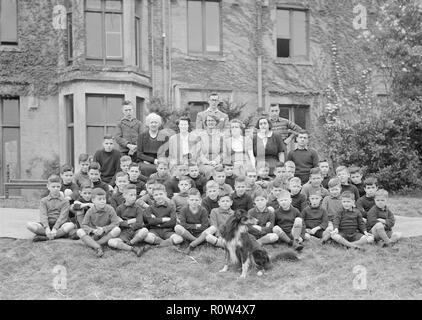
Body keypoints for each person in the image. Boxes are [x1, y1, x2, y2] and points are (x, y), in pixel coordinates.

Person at [26, 175, 75, 242]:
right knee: (29, 225)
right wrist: (46, 228)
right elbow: (43, 215)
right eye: (53, 186)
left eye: (58, 187)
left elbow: (63, 217)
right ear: (48, 187)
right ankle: (55, 235)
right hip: (47, 224)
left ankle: (46, 237)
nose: (55, 188)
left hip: (60, 225)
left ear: (60, 187)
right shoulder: (44, 200)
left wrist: (55, 228)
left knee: (71, 225)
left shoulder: (65, 201)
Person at [76, 188, 121, 257]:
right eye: (99, 199)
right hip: (95, 233)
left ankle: (94, 244)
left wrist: (103, 229)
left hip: (106, 233)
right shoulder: (90, 211)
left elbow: (116, 223)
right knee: (79, 231)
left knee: (117, 230)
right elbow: (84, 225)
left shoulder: (110, 209)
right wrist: (93, 231)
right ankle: (98, 247)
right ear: (93, 200)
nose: (102, 201)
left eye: (104, 199)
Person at [108, 184, 149, 256]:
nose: (134, 197)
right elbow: (117, 223)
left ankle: (130, 243)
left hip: (136, 231)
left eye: (135, 195)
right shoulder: (119, 208)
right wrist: (129, 222)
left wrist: (126, 224)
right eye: (131, 195)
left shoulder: (138, 209)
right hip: (124, 233)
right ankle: (133, 248)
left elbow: (139, 223)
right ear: (124, 195)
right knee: (110, 242)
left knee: (144, 231)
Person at [174, 188, 210, 253]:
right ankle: (197, 241)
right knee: (177, 228)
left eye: (196, 200)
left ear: (200, 200)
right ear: (188, 200)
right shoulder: (184, 209)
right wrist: (196, 226)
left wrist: (190, 226)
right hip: (188, 233)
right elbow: (183, 224)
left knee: (212, 229)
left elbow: (205, 226)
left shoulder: (203, 210)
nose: (194, 202)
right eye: (192, 200)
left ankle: (194, 242)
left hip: (200, 233)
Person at [197, 114, 225, 179]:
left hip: (217, 163)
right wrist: (207, 162)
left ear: (216, 122)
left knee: (220, 170)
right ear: (206, 122)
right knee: (210, 170)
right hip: (203, 163)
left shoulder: (221, 136)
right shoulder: (200, 135)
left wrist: (215, 161)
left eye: (213, 120)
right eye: (208, 120)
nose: (210, 122)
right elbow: (198, 152)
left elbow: (223, 152)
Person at [320, 178, 343, 243]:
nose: (334, 192)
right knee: (329, 229)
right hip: (329, 220)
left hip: (340, 220)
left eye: (336, 189)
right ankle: (323, 240)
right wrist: (328, 221)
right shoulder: (326, 199)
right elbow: (323, 211)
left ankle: (330, 239)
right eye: (332, 190)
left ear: (340, 189)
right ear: (329, 190)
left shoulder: (343, 199)